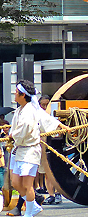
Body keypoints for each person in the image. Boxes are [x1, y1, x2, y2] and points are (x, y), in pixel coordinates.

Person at [8, 81, 61, 217]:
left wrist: (13, 135)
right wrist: (12, 134)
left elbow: (28, 127)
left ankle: (29, 213)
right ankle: (34, 206)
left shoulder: (30, 111)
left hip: (30, 151)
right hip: (19, 149)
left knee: (27, 184)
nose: (15, 94)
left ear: (23, 95)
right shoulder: (20, 110)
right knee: (15, 182)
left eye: (16, 92)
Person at [37, 97, 62, 206]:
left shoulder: (53, 115)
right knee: (47, 172)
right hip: (43, 146)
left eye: (47, 104)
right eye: (42, 104)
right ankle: (51, 195)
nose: (45, 107)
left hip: (56, 145)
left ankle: (57, 193)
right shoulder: (38, 115)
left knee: (55, 171)